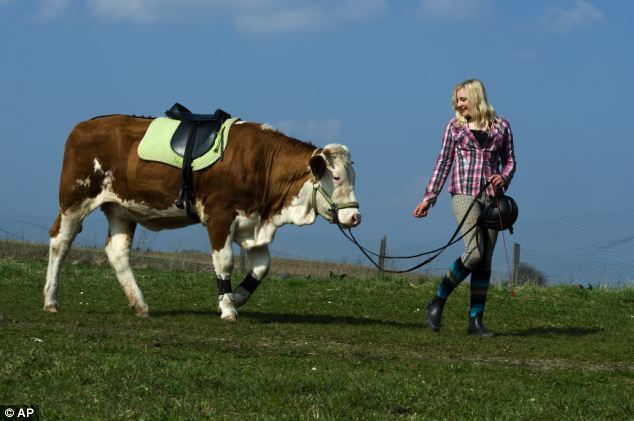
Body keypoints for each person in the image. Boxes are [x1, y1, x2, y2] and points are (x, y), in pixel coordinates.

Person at [412, 79, 516, 336]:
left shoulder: (502, 126)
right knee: (475, 252)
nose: (458, 104)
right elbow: (443, 162)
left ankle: (475, 320)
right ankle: (438, 299)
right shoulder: (454, 127)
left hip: (492, 198)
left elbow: (511, 160)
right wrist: (429, 197)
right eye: (457, 100)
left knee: (485, 261)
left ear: (475, 97)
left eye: (462, 99)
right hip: (463, 194)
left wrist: (503, 177)